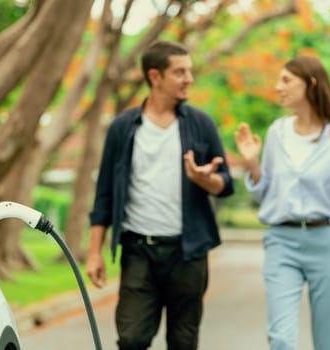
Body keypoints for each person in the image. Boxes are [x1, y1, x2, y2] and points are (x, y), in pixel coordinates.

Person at [86, 40, 234, 350]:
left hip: (188, 253)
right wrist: (95, 251)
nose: (189, 79)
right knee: (131, 339)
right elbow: (105, 195)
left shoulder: (200, 124)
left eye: (189, 72)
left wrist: (203, 180)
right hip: (139, 250)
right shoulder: (122, 128)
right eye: (180, 72)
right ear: (155, 77)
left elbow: (225, 184)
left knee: (183, 341)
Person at [234, 55, 330, 350]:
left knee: (329, 342)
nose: (277, 87)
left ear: (310, 84)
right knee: (281, 338)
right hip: (282, 242)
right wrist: (253, 164)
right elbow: (264, 193)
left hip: (329, 241)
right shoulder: (277, 133)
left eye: (286, 80)